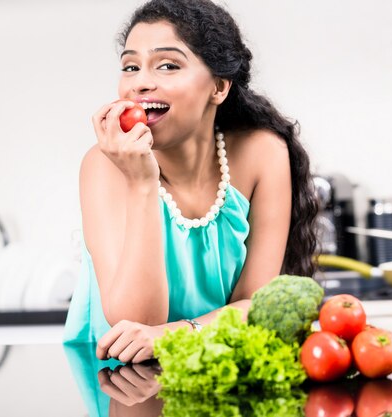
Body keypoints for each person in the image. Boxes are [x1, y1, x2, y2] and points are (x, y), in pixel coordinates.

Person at [63, 0, 318, 363]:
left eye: (167, 65)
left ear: (218, 87)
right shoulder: (105, 166)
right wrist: (141, 184)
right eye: (130, 66)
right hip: (121, 377)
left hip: (219, 362)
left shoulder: (262, 153)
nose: (141, 83)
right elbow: (135, 322)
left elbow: (258, 305)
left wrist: (178, 334)